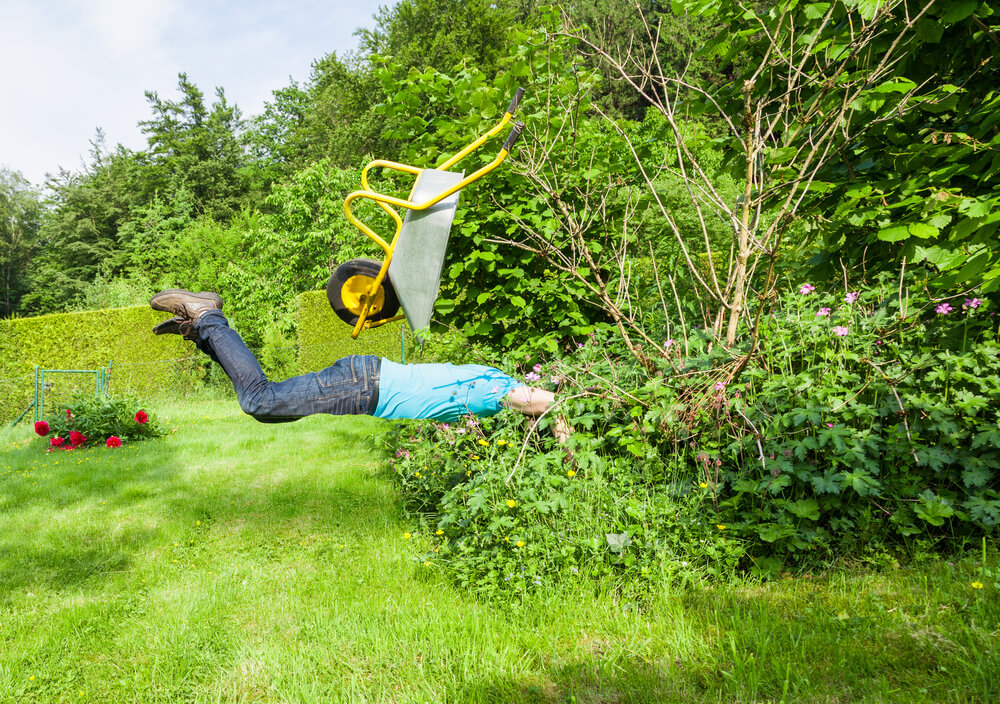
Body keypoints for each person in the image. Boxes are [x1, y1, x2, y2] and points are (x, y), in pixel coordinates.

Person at [150, 289, 569, 440]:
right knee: (261, 402)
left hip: (365, 383)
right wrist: (566, 431)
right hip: (364, 385)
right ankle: (206, 318)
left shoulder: (491, 379)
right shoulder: (496, 390)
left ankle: (200, 328)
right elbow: (543, 400)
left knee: (267, 411)